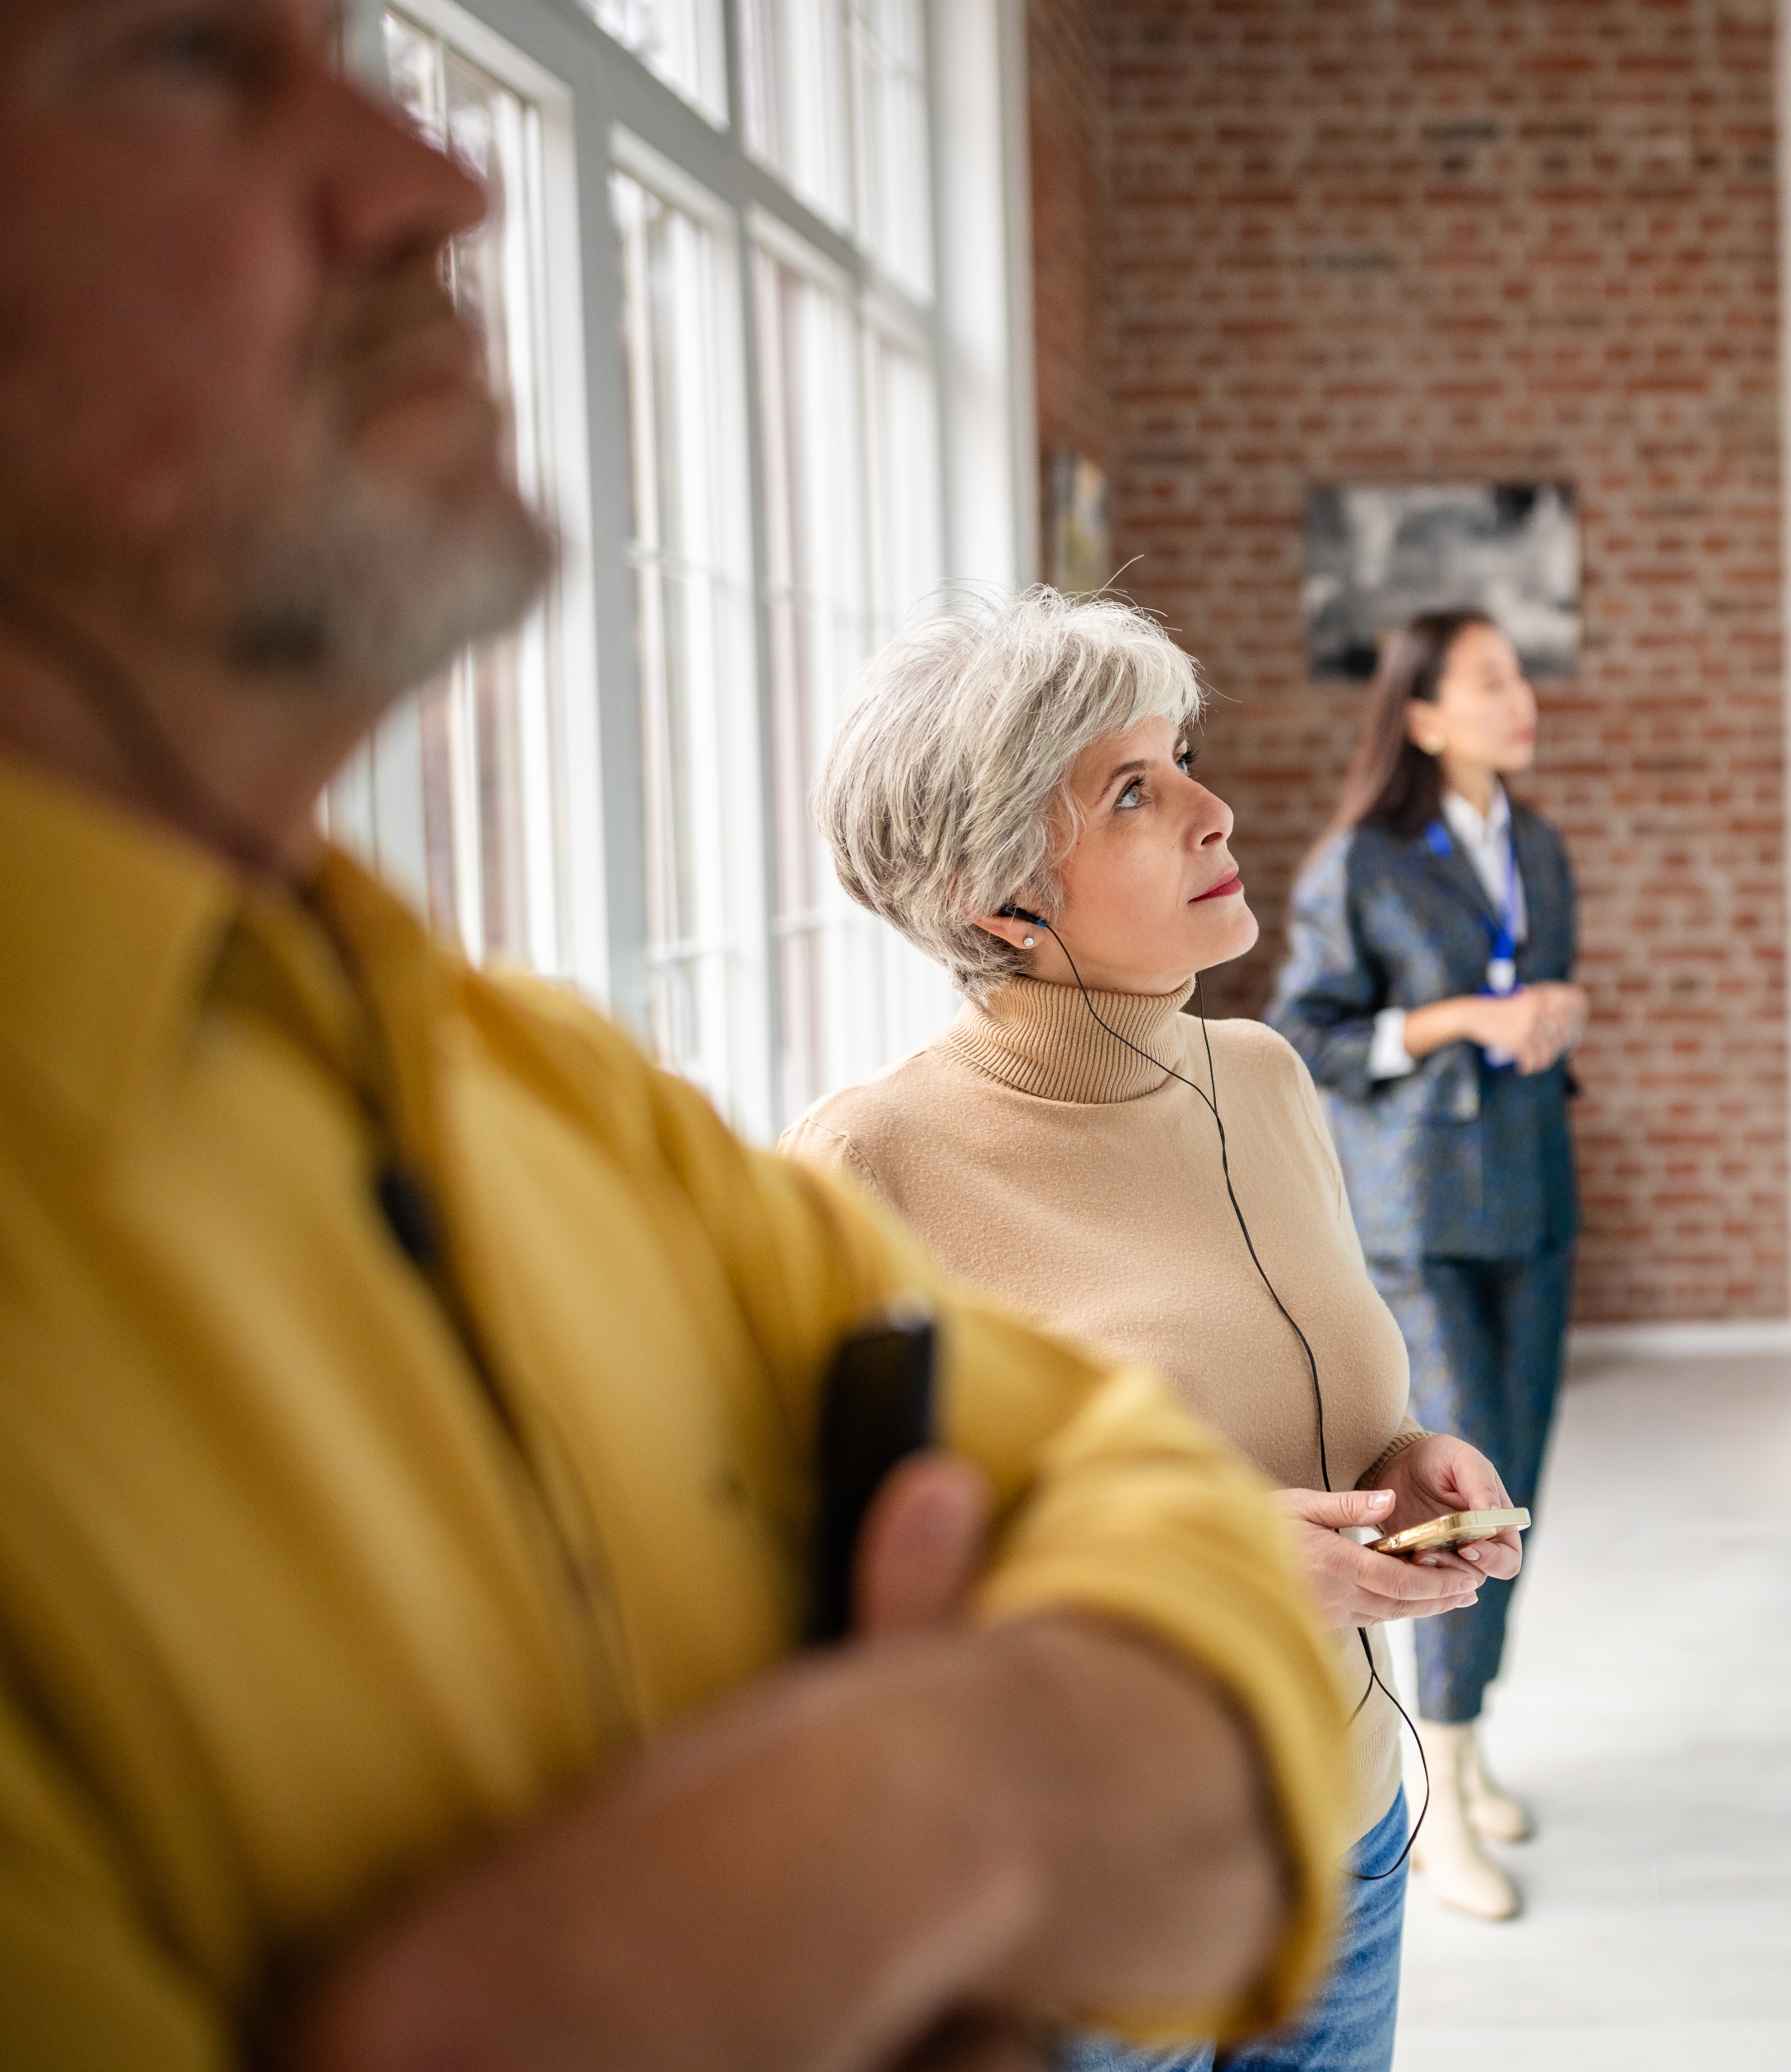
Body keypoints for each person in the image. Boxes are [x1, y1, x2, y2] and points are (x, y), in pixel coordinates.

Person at [0, 4, 1354, 2065]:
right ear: (996, 884)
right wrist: (1029, 1768)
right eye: (191, 63)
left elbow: (1193, 1582)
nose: (441, 179)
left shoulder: (543, 1096)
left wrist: (913, 1804)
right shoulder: (822, 1149)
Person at [780, 586, 1528, 2071]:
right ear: (1004, 894)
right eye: (1137, 789)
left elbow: (1299, 1397)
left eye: (1181, 756)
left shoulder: (1261, 1076)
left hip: (1346, 1843)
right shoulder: (868, 1166)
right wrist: (1205, 1562)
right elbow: (825, 1599)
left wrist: (1403, 1463)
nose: (1215, 808)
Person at [1268, 609, 1590, 1923]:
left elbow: (1537, 987)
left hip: (1532, 1197)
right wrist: (1461, 1015)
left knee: (1518, 1494)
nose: (1522, 697)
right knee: (1455, 1499)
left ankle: (1466, 1741)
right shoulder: (1364, 861)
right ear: (1422, 715)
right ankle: (1433, 1799)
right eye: (1492, 679)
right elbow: (1309, 1030)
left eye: (1520, 675)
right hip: (1419, 1212)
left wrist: (1549, 1016)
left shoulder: (1541, 845)